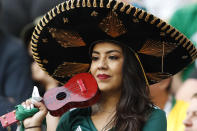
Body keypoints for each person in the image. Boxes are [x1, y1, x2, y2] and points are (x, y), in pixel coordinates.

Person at [19, 0, 197, 131]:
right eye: (95, 58)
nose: (101, 65)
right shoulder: (71, 118)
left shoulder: (152, 118)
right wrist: (32, 126)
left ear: (130, 67)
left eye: (112, 57)